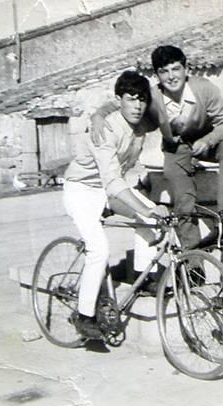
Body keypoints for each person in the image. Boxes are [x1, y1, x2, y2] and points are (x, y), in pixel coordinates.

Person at [92, 45, 223, 248]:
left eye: (176, 69)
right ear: (157, 75)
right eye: (164, 71)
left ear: (186, 69)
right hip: (176, 149)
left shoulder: (205, 88)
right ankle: (192, 259)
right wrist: (98, 115)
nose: (171, 77)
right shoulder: (153, 96)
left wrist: (208, 140)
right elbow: (120, 101)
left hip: (208, 142)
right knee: (183, 201)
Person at [64, 71, 168, 337]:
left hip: (109, 189)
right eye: (131, 99)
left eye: (142, 99)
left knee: (151, 222)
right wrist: (99, 114)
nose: (138, 105)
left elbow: (162, 108)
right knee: (99, 250)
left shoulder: (142, 122)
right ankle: (84, 316)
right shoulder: (107, 129)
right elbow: (112, 181)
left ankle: (143, 278)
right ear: (119, 100)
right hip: (83, 190)